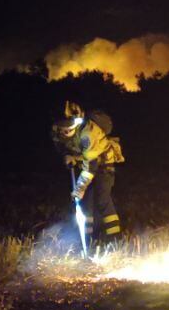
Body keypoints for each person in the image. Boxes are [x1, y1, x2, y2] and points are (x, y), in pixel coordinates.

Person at [52, 101, 126, 244]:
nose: (66, 131)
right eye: (63, 128)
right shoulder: (56, 130)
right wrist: (67, 155)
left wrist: (79, 188)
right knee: (86, 203)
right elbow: (63, 146)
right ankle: (87, 240)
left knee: (102, 200)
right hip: (86, 163)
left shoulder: (88, 133)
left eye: (69, 128)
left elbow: (90, 167)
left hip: (103, 165)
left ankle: (115, 239)